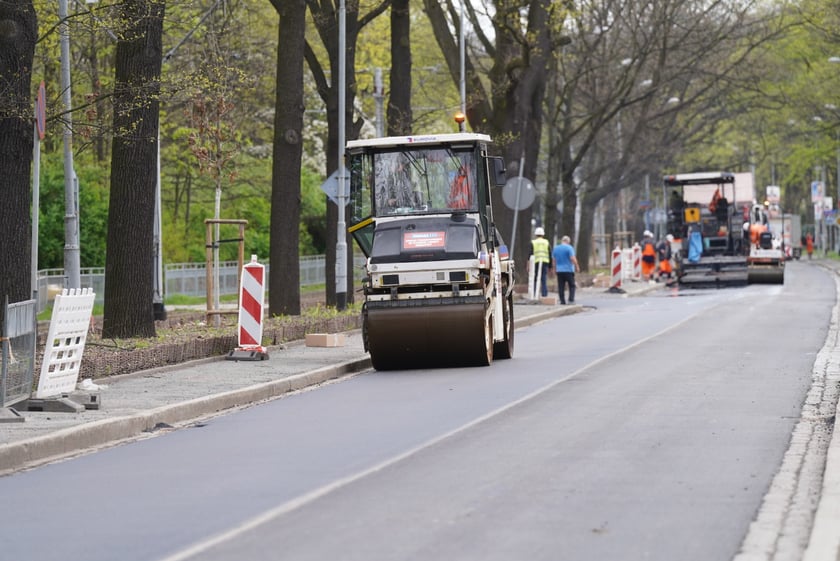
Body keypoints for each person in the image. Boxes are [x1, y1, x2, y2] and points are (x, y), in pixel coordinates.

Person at [552, 235, 579, 305]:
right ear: (568, 241)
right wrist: (576, 266)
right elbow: (572, 258)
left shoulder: (556, 248)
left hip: (559, 270)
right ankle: (571, 300)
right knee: (572, 285)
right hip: (568, 270)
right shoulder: (569, 248)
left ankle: (562, 301)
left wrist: (554, 269)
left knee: (561, 286)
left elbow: (554, 260)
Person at [530, 227, 551, 298]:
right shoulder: (546, 242)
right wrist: (550, 266)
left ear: (536, 234)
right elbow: (550, 254)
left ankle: (534, 293)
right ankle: (544, 294)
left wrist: (528, 265)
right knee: (543, 278)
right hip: (545, 262)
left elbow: (530, 254)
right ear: (543, 234)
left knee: (535, 278)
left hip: (535, 262)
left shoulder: (533, 242)